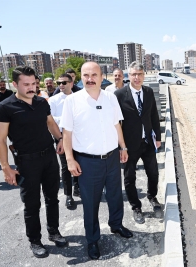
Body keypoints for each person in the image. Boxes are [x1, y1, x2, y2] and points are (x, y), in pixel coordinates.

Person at [0, 66, 68, 258]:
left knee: (52, 198)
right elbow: (0, 140)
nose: (31, 87)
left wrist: (59, 139)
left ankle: (54, 231)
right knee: (32, 204)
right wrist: (5, 167)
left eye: (33, 83)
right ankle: (35, 240)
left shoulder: (42, 102)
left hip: (49, 157)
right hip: (27, 162)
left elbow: (50, 122)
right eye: (26, 84)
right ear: (15, 84)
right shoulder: (5, 108)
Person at [60, 61, 132, 260]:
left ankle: (116, 225)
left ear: (102, 77)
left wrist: (123, 147)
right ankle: (92, 240)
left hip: (111, 158)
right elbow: (67, 133)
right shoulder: (72, 101)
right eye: (85, 75)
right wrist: (70, 160)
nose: (90, 79)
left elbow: (117, 125)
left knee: (116, 196)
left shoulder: (110, 98)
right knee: (90, 203)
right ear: (80, 78)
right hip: (88, 162)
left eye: (94, 75)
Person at [115, 61, 162, 224]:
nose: (137, 77)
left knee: (153, 172)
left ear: (144, 75)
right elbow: (116, 123)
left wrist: (158, 138)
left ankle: (152, 196)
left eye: (140, 74)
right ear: (129, 75)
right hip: (129, 145)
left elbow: (154, 116)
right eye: (134, 74)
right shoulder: (120, 95)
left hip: (148, 141)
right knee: (129, 177)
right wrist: (122, 147)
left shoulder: (148, 92)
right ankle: (136, 207)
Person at [49, 74, 80, 209]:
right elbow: (51, 120)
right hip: (61, 136)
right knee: (66, 166)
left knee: (80, 162)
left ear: (71, 83)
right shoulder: (53, 100)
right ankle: (68, 195)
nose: (61, 85)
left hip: (79, 136)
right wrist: (67, 119)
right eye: (59, 82)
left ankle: (78, 188)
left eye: (64, 82)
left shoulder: (80, 98)